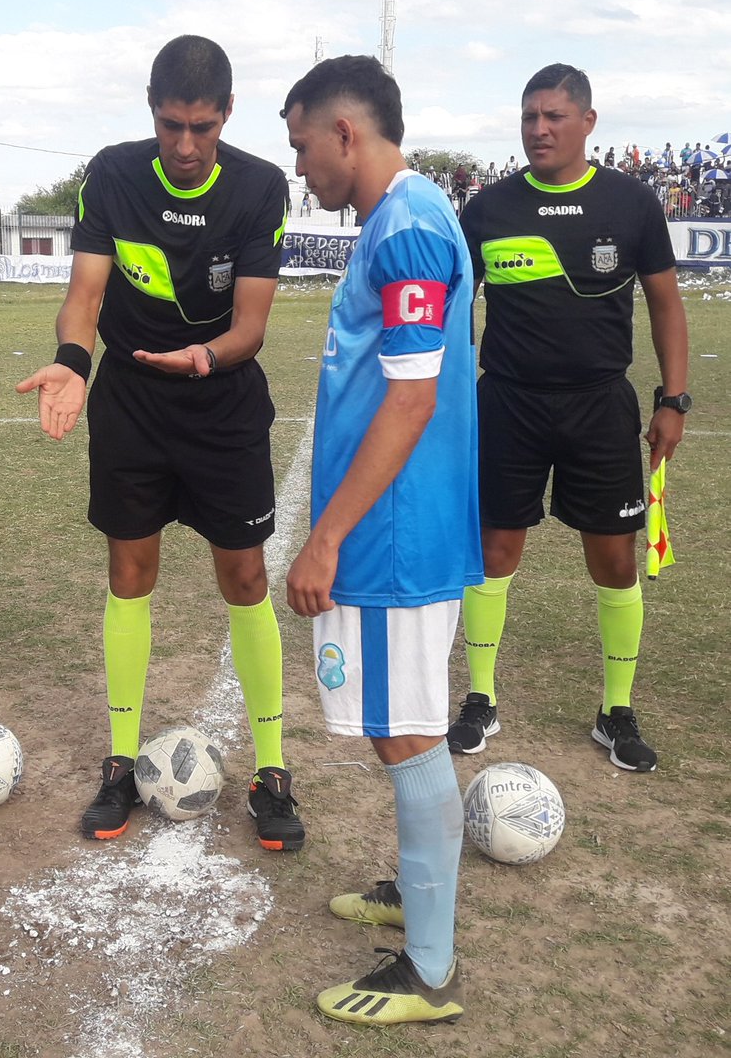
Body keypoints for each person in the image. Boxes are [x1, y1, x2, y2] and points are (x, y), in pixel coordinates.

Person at [17, 35, 304, 851]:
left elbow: (249, 326)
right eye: (171, 124)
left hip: (221, 405)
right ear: (150, 108)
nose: (185, 145)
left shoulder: (256, 185)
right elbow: (84, 294)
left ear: (226, 117)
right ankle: (118, 759)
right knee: (128, 569)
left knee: (244, 574)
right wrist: (74, 362)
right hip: (131, 405)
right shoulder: (111, 173)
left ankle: (273, 768)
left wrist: (203, 359)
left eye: (202, 128)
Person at [282, 55, 480, 1026]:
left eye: (302, 146)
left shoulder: (405, 225)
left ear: (345, 134)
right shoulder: (402, 220)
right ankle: (418, 881)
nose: (301, 167)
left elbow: (408, 399)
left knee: (405, 733)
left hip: (393, 533)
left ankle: (430, 971)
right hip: (398, 525)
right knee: (395, 724)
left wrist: (325, 538)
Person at [450, 63, 689, 773]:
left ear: (587, 122)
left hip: (599, 405)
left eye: (553, 116)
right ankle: (480, 697)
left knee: (614, 560)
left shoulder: (630, 204)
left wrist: (671, 399)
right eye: (528, 116)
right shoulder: (487, 209)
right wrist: (456, 388)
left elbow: (665, 304)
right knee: (494, 553)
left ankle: (615, 710)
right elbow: (455, 304)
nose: (538, 129)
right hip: (507, 402)